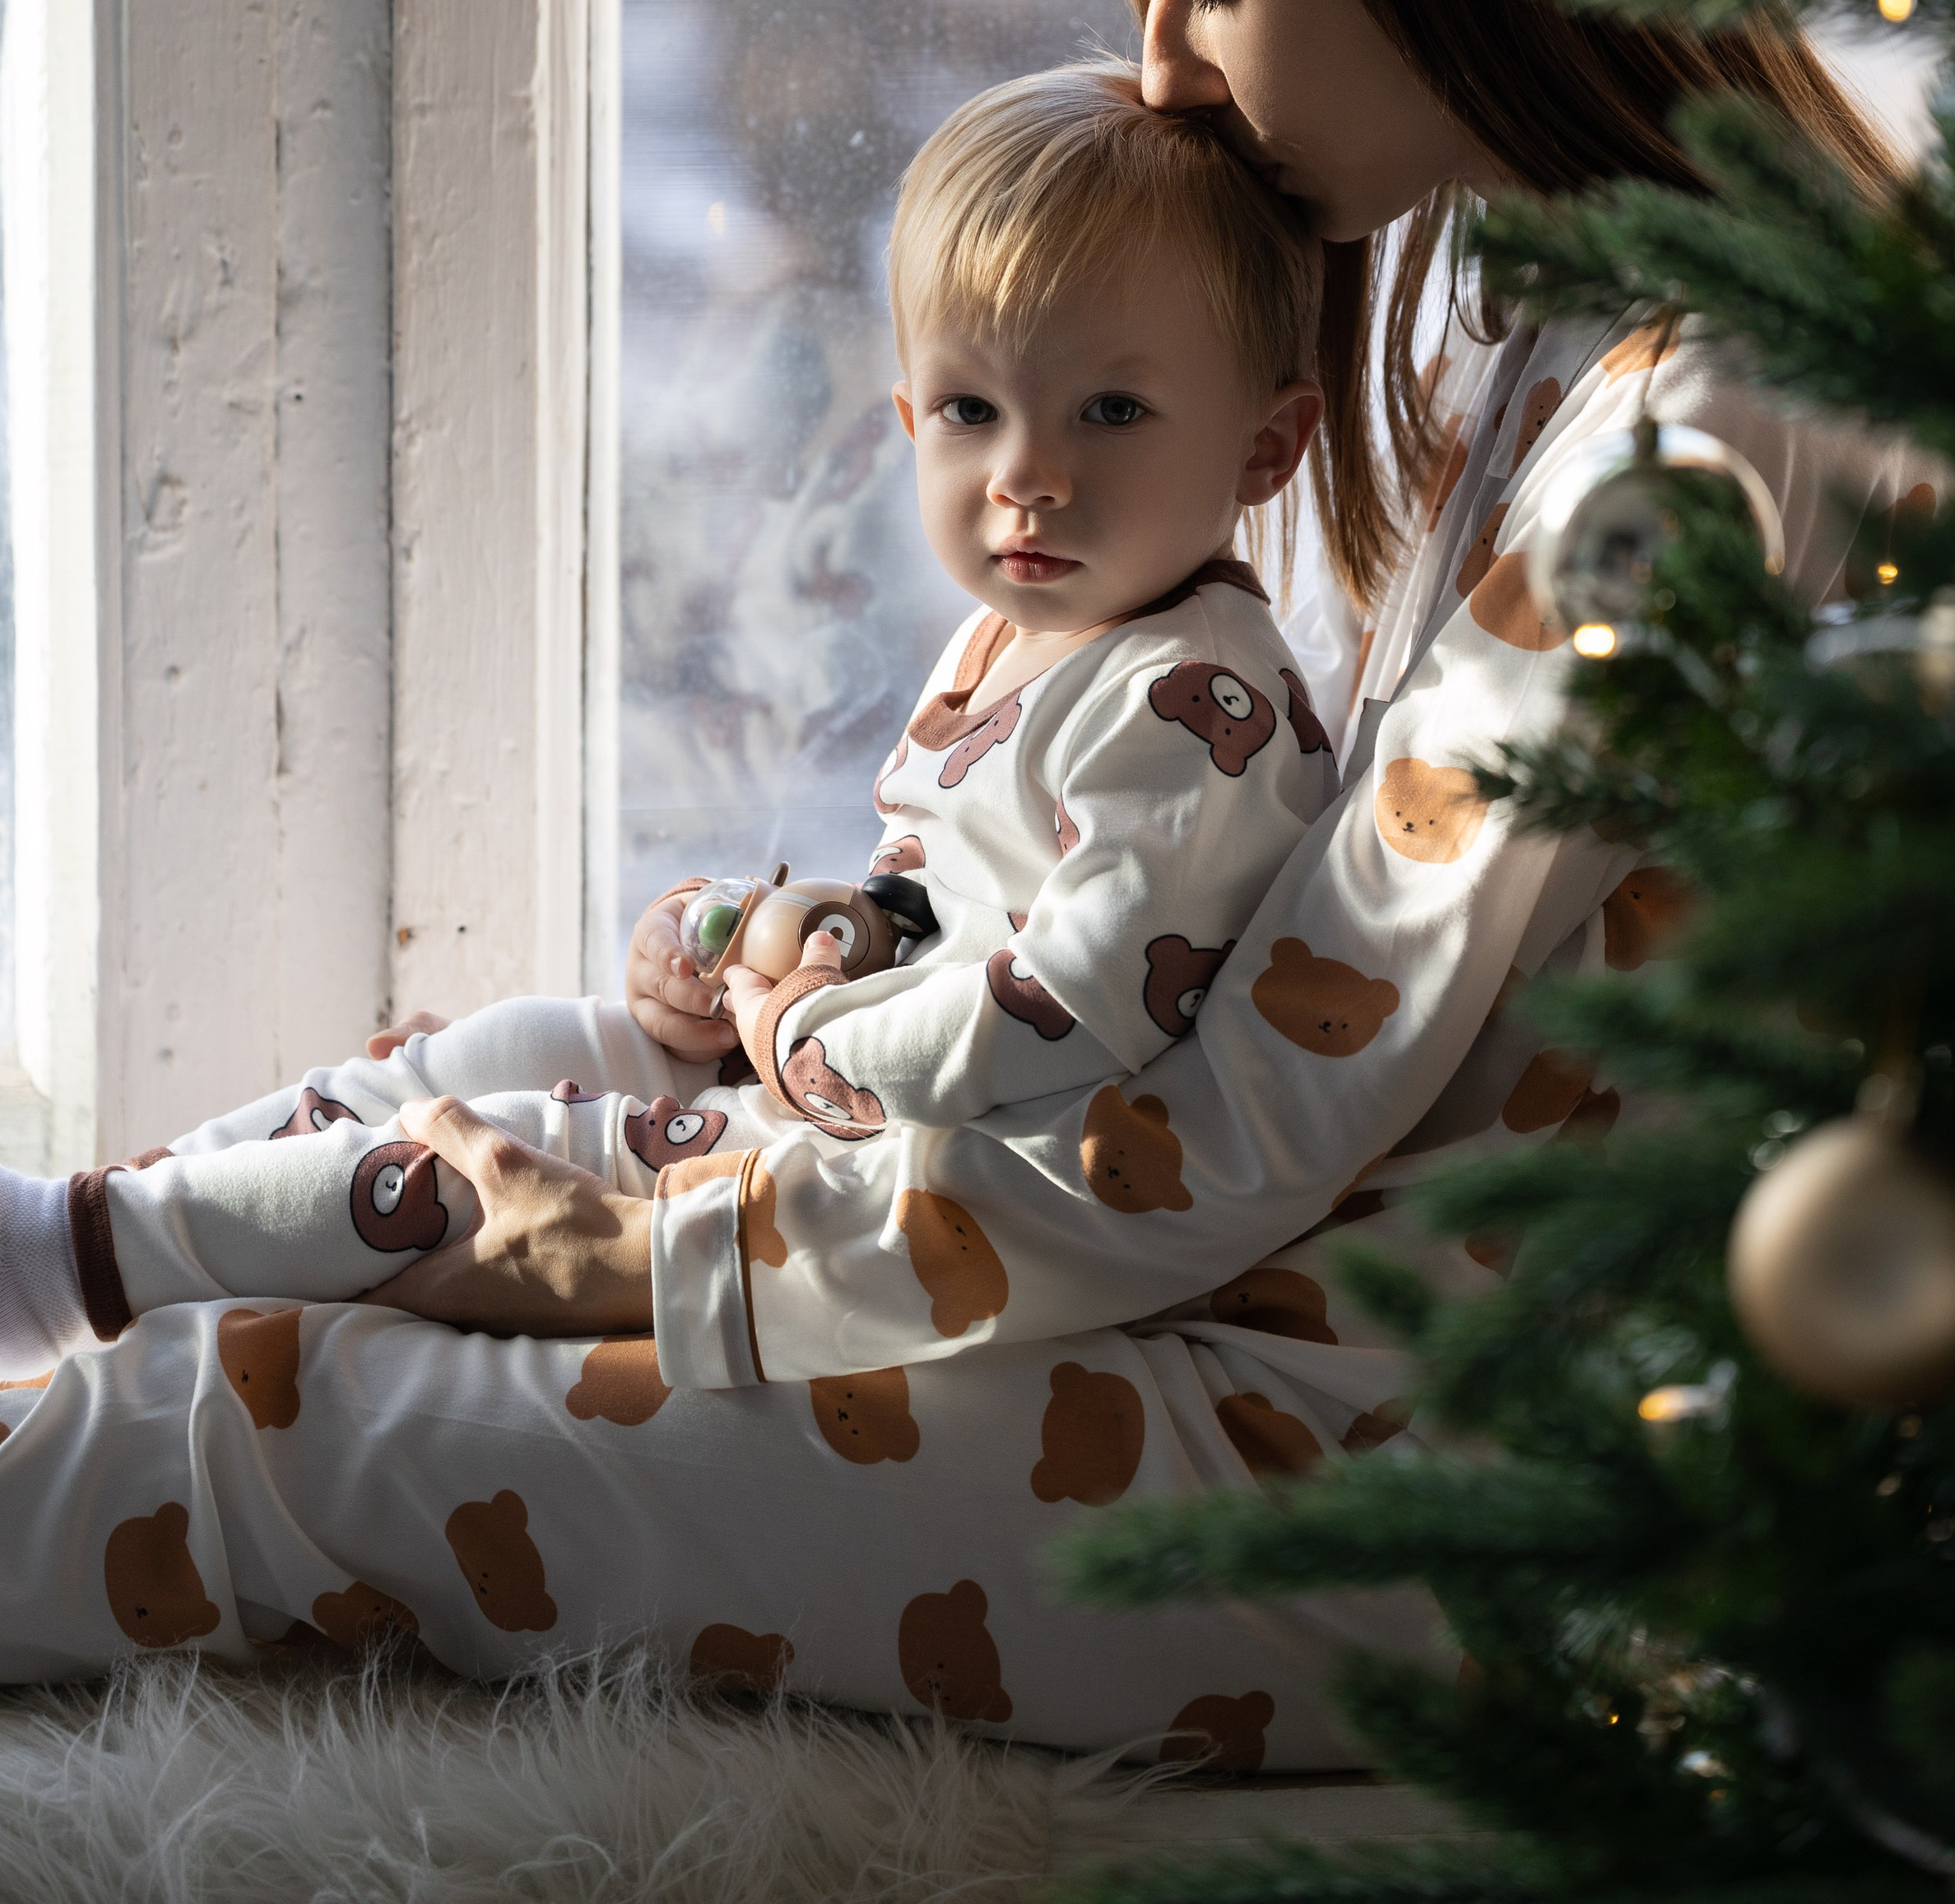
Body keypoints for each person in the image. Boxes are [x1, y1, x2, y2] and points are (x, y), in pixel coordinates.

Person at [0, 0, 1919, 1762]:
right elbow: (1198, 935)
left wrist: (667, 1263)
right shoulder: (1516, 314)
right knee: (544, 1057)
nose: (1165, 67)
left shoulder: (1683, 455)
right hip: (1232, 1285)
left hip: (1388, 1481)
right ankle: (67, 1261)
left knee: (287, 1422)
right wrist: (852, 980)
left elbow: (1260, 1123)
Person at [0, 67, 1336, 1363]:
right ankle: (112, 1222)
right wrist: (801, 934)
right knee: (532, 1039)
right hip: (855, 1082)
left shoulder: (1192, 700)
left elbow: (1076, 1008)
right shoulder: (1035, 628)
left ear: (1263, 446)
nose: (1025, 476)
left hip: (923, 1174)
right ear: (909, 416)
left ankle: (73, 1271)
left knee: (500, 1151)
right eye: (972, 411)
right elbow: (954, 906)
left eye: (1112, 410)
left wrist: (798, 1034)